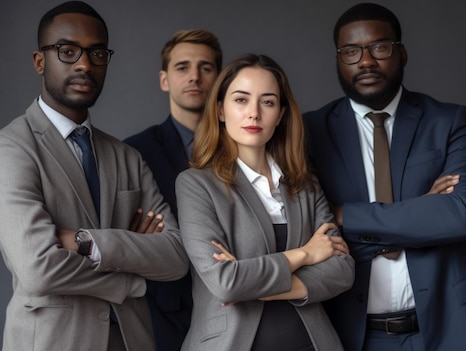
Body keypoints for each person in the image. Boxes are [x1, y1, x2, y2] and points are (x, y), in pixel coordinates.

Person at [303, 3, 466, 351]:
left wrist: (345, 215)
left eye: (380, 47)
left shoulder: (448, 121)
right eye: (351, 51)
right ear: (338, 60)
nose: (365, 61)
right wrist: (421, 211)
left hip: (448, 329)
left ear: (401, 53)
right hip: (352, 335)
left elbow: (460, 215)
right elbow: (309, 231)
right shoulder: (309, 133)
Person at [0, 2, 188, 350]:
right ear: (40, 61)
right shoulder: (11, 148)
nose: (84, 64)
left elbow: (176, 255)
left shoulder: (127, 156)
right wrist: (132, 277)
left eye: (97, 53)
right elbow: (38, 269)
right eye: (67, 51)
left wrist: (88, 242)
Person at [175, 53, 355, 351]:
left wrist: (254, 284)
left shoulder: (305, 184)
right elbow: (225, 283)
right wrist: (306, 255)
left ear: (281, 115)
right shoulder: (196, 184)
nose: (254, 113)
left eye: (267, 102)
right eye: (241, 100)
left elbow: (342, 269)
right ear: (220, 110)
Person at [124, 28, 222, 351]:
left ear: (220, 79)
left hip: (240, 304)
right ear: (164, 79)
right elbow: (132, 236)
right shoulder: (134, 151)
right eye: (183, 67)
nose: (194, 76)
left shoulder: (246, 147)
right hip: (166, 312)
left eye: (206, 68)